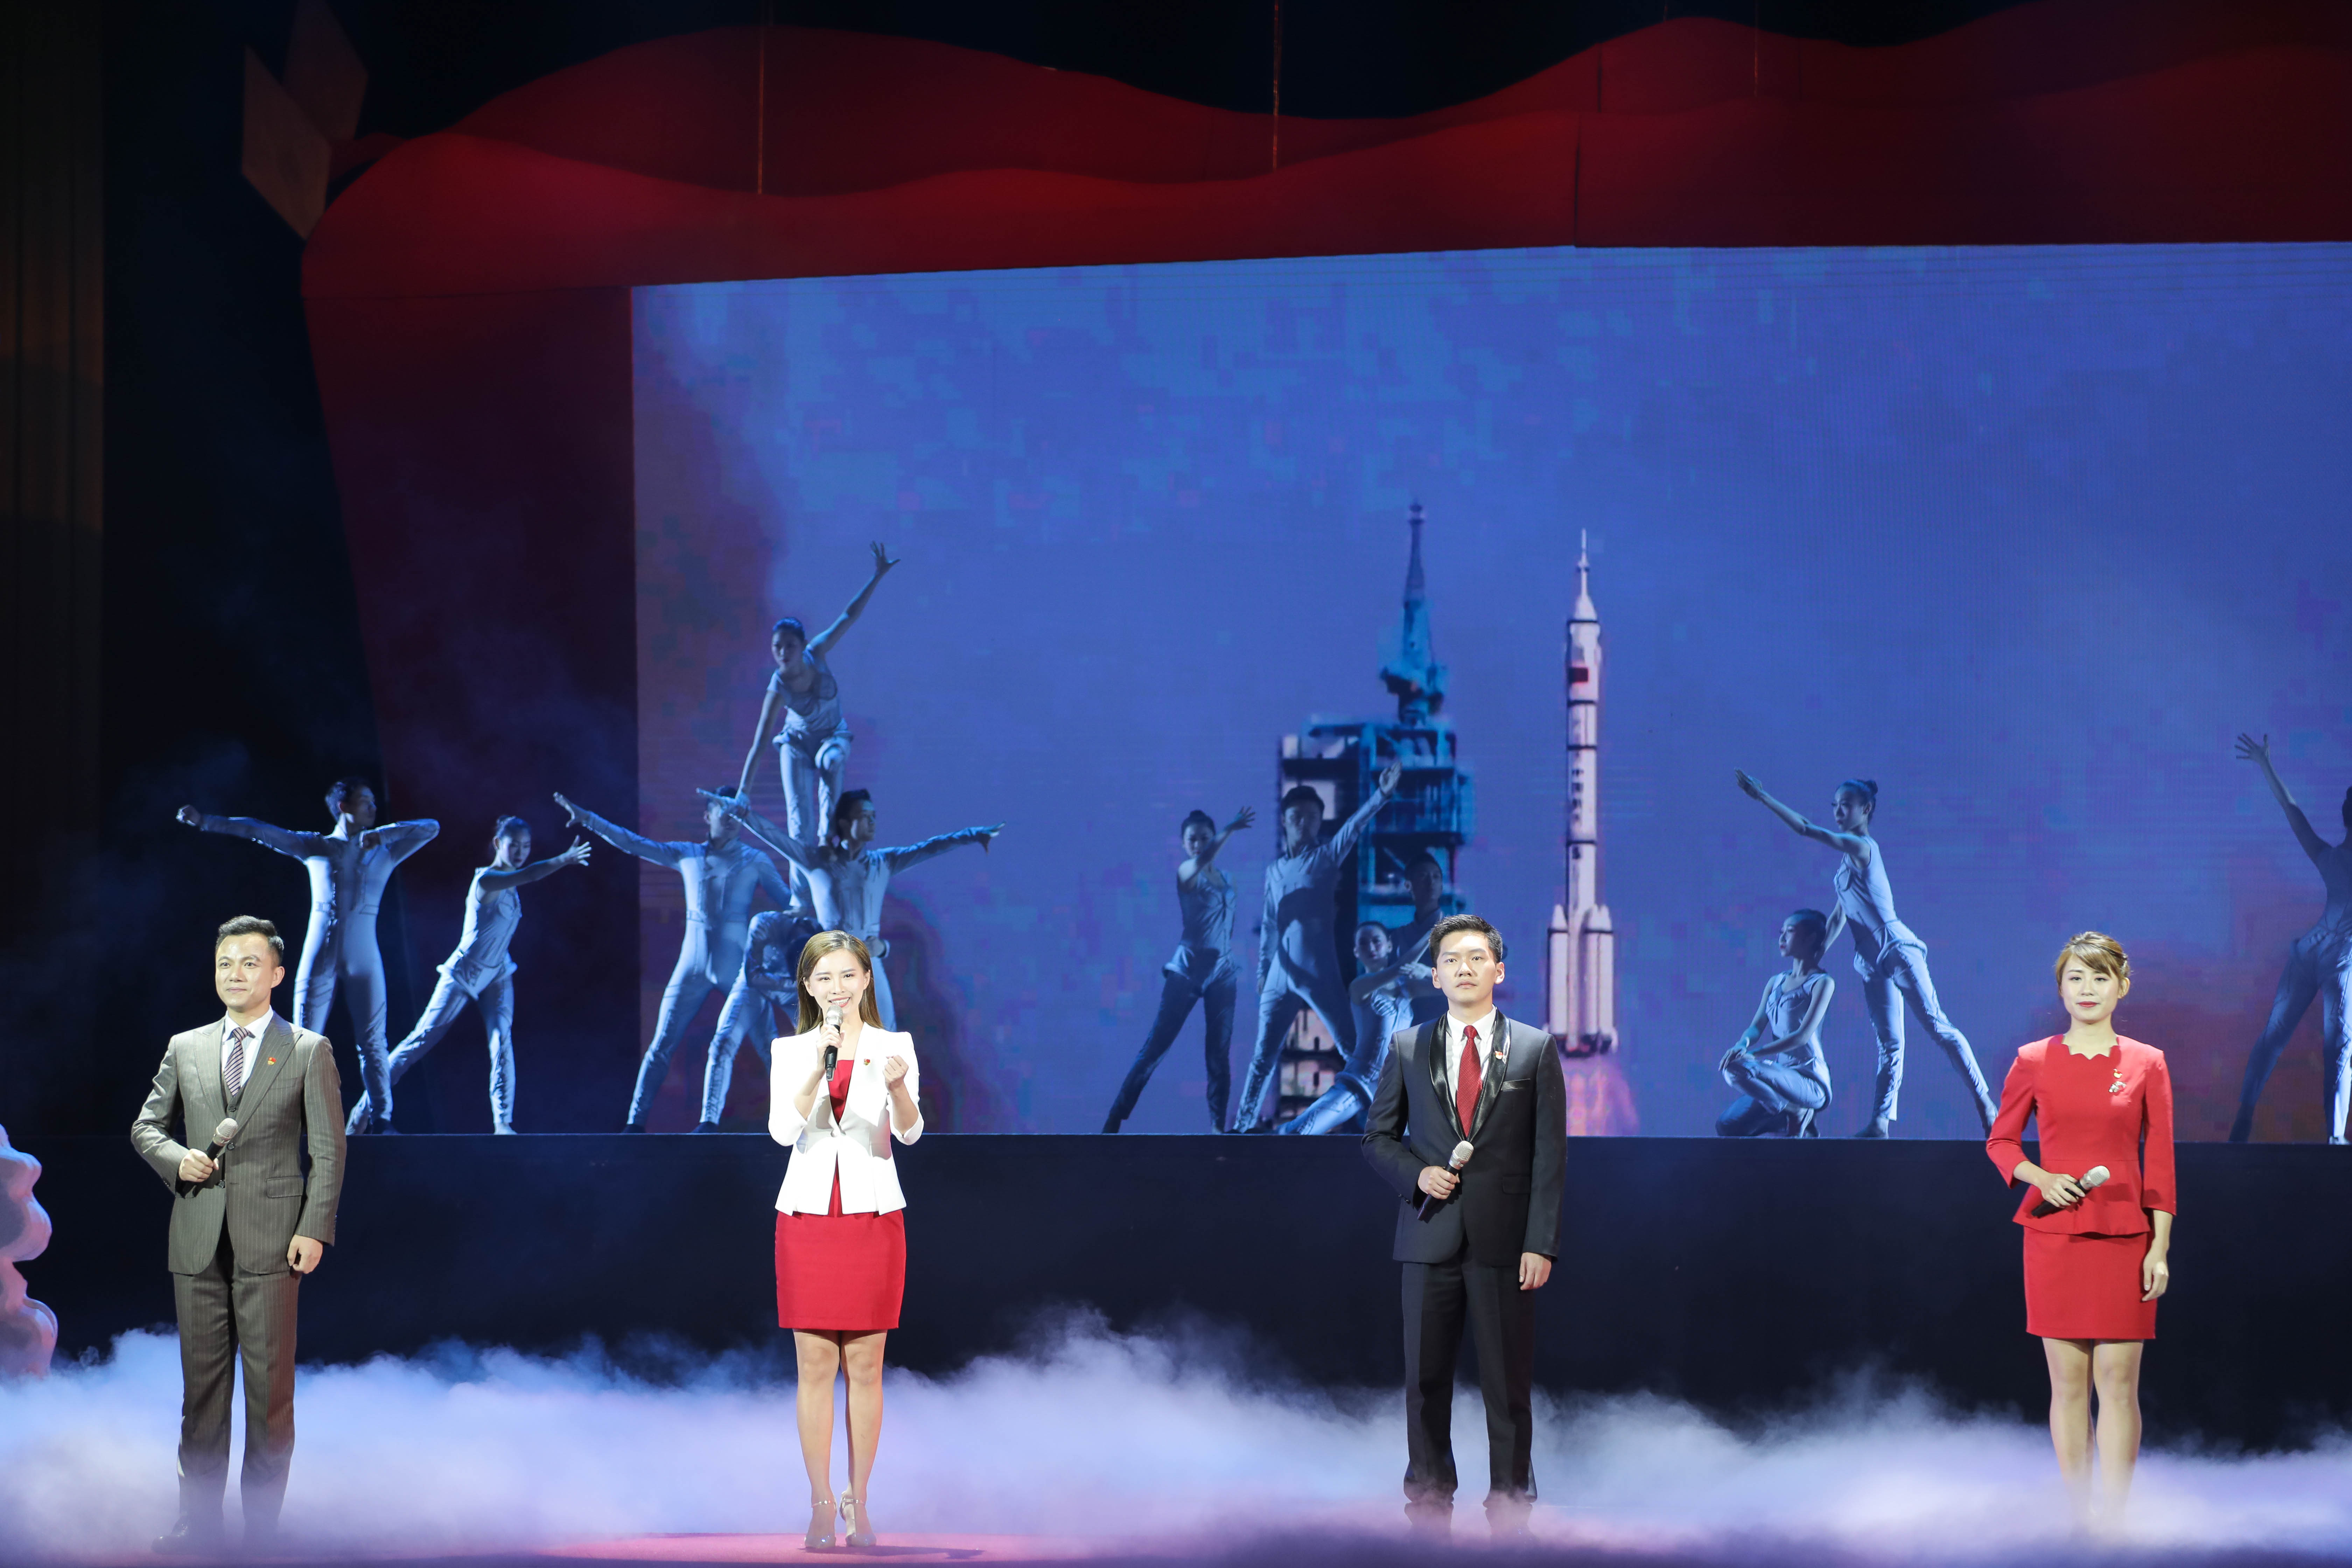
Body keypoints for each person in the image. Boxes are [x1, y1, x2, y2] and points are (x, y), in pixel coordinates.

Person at [130, 916, 345, 1552]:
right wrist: (178, 1160)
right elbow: (146, 1128)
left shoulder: (307, 1049)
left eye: (250, 963)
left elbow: (329, 1151)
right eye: (226, 962)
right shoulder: (186, 1046)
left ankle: (261, 1536)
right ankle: (198, 1526)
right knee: (201, 1395)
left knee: (269, 1395)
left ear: (277, 974)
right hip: (197, 1238)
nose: (235, 974)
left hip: (274, 1241)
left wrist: (315, 1228)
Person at [1362, 915, 1567, 1539]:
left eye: (1477, 958)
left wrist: (1541, 1242)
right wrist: (1418, 1175)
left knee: (1508, 1387)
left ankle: (1511, 1504)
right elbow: (1377, 1138)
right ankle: (1428, 1505)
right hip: (1429, 1236)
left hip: (1507, 1242)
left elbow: (1549, 1157)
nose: (1464, 969)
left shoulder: (1534, 1048)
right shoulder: (1407, 1046)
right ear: (1435, 976)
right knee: (1425, 1383)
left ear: (1498, 970)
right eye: (1451, 960)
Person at [1986, 932, 2175, 1523]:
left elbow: (2161, 1164)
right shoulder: (2033, 1059)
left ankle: (2114, 1519)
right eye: (2075, 977)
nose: (2087, 989)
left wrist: (2160, 1249)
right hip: (2054, 1238)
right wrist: (2041, 1178)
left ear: (2122, 987)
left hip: (2125, 1239)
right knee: (2068, 1386)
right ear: (2061, 988)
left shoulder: (2147, 1062)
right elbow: (2001, 1142)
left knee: (2118, 1384)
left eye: (2099, 977)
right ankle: (2079, 1517)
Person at [1734, 771, 1998, 1135]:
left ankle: (1985, 1102)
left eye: (1846, 805)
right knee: (1889, 1044)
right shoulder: (1845, 869)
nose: (1838, 812)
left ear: (1866, 809)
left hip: (1896, 948)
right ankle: (1880, 1122)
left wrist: (1763, 797)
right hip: (1871, 960)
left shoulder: (1863, 849)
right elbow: (1838, 918)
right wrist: (1812, 961)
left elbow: (1806, 829)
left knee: (1939, 1027)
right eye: (1835, 806)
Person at [770, 930, 923, 1550]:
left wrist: (898, 1088)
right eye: (824, 978)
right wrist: (818, 1064)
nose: (837, 988)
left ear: (866, 979)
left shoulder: (895, 1045)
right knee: (814, 1366)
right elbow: (783, 1132)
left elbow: (910, 1133)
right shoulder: (791, 1050)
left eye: (847, 975)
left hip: (872, 1215)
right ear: (808, 987)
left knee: (865, 1365)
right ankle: (820, 1502)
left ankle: (859, 1499)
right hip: (807, 1217)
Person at [177, 782, 440, 1134]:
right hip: (320, 958)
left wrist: (384, 836)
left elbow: (431, 828)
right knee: (303, 1042)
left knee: (373, 1042)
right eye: (365, 802)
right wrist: (205, 821)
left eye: (373, 802)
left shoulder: (385, 851)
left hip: (364, 958)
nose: (373, 809)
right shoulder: (317, 846)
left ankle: (382, 1120)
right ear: (344, 806)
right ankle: (291, 1121)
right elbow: (258, 830)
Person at [553, 789, 794, 1132]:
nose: (731, 819)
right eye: (723, 811)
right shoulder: (687, 854)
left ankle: (797, 1122)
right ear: (707, 816)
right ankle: (635, 1124)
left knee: (768, 1044)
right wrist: (588, 819)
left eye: (736, 813)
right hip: (691, 966)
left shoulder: (756, 860)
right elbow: (633, 843)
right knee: (661, 1044)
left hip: (739, 967)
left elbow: (791, 905)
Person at [344, 817, 591, 1133]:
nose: (520, 852)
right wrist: (564, 859)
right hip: (464, 972)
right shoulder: (487, 881)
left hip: (498, 972)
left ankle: (503, 1123)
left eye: (526, 846)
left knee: (502, 1038)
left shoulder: (510, 885)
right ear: (498, 843)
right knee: (419, 1042)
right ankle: (361, 1115)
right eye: (514, 845)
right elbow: (530, 875)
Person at [712, 788, 1002, 1030]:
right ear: (845, 823)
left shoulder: (882, 862)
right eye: (865, 817)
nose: (872, 822)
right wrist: (740, 812)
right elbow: (774, 836)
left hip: (869, 962)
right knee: (832, 1041)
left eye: (874, 817)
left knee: (885, 1037)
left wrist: (973, 835)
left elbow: (929, 848)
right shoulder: (818, 862)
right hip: (831, 966)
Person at [1232, 762, 1404, 1131]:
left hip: (1317, 969)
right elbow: (1270, 923)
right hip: (1280, 972)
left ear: (1318, 822)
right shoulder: (1274, 871)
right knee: (1263, 1055)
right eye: (1297, 817)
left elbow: (1353, 828)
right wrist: (1263, 970)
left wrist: (1382, 794)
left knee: (1352, 1046)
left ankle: (1392, 1118)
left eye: (1312, 818)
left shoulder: (1324, 858)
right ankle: (1243, 1126)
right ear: (1285, 821)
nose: (1304, 824)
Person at [734, 543, 900, 906]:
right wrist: (743, 792)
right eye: (777, 647)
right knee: (798, 824)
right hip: (796, 743)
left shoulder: (818, 652)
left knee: (831, 761)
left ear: (803, 645)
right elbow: (760, 741)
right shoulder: (778, 686)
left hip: (831, 738)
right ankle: (800, 901)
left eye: (789, 646)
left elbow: (849, 616)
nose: (783, 653)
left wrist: (877, 577)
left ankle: (828, 838)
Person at [2226, 734, 2352, 1143]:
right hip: (2329, 958)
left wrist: (2266, 764)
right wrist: (2266, 765)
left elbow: (2292, 811)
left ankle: (2255, 1117)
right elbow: (2292, 811)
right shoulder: (2331, 858)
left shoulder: (2331, 857)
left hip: (2324, 956)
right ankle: (2326, 1136)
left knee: (2313, 1041)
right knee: (2331, 1045)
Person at [1102, 806, 1255, 1133]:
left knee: (1219, 1054)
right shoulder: (1187, 871)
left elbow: (1226, 924)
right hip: (1188, 969)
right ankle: (1116, 1117)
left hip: (1222, 972)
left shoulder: (1228, 879)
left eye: (1204, 838)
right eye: (1193, 840)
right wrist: (1229, 829)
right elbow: (1203, 861)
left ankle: (1217, 1128)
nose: (1199, 845)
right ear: (1184, 844)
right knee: (1156, 1047)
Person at [1283, 919, 1432, 1135]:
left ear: (1389, 946)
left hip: (1394, 1087)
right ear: (1356, 951)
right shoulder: (1360, 987)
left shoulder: (1408, 988)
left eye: (1377, 941)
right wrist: (1433, 932)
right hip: (1360, 1080)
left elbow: (1452, 987)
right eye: (1363, 943)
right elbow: (1399, 969)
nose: (1371, 947)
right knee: (1300, 1132)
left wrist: (1427, 972)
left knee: (1421, 1144)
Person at [698, 906, 822, 1130]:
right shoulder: (765, 923)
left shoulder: (822, 938)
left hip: (795, 991)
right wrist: (794, 984)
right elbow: (753, 976)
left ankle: (805, 1119)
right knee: (723, 1043)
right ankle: (709, 1121)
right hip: (755, 987)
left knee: (813, 1050)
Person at [1716, 909, 1836, 1137]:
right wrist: (1742, 1045)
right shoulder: (1776, 982)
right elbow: (1757, 1026)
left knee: (1740, 1067)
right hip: (1779, 1076)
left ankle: (1797, 1111)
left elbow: (1801, 1037)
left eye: (1790, 932)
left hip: (1808, 1080)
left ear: (1810, 938)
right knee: (1727, 1125)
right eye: (1782, 932)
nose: (1782, 938)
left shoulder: (1822, 983)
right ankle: (1790, 1112)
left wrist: (1754, 1055)